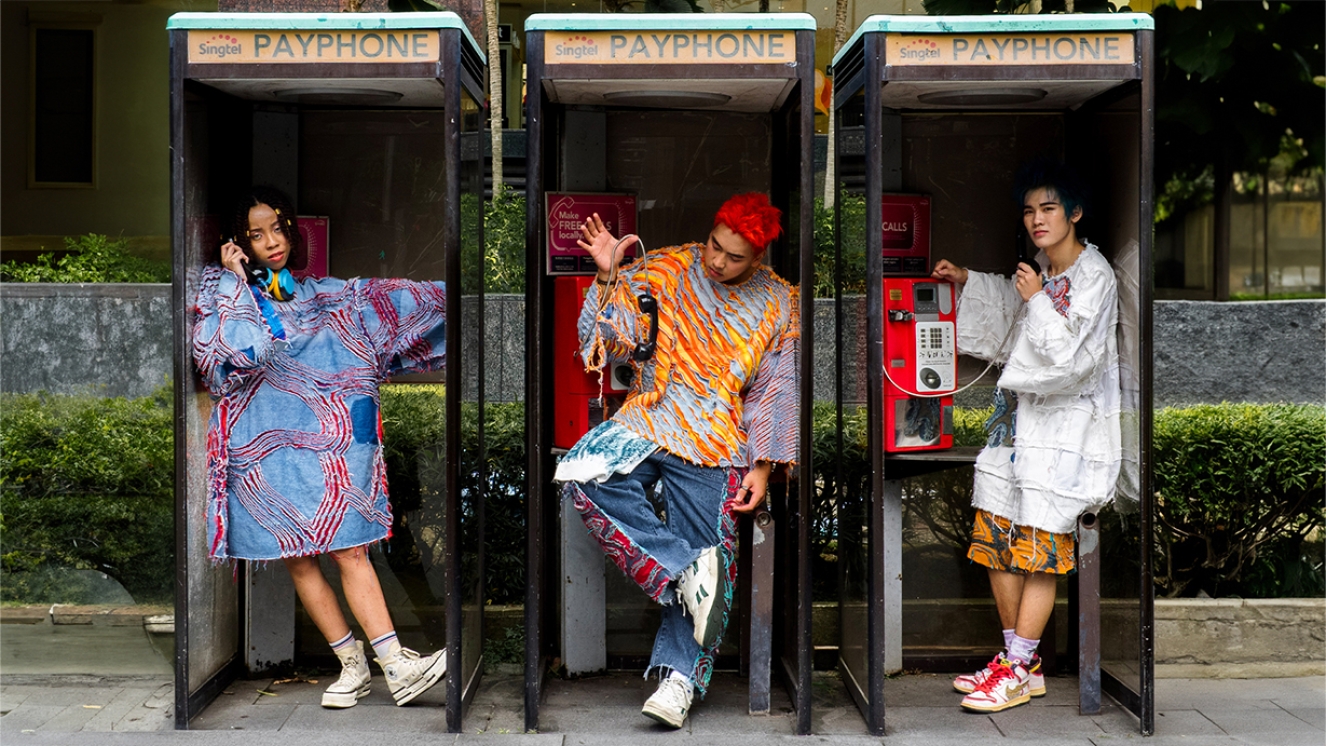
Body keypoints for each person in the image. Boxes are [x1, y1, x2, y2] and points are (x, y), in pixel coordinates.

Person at [192, 186, 448, 710]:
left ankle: (395, 665)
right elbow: (224, 356)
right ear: (239, 242)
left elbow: (409, 302)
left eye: (278, 229)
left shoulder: (328, 294)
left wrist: (469, 287)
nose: (271, 242)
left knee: (350, 549)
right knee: (300, 559)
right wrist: (236, 280)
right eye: (256, 235)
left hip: (331, 446)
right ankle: (352, 666)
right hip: (263, 446)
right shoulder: (223, 294)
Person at [555, 193, 800, 729]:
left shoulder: (780, 302)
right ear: (709, 231)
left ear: (757, 257)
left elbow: (776, 390)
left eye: (734, 257)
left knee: (713, 546)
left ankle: (679, 681)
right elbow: (608, 344)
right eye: (715, 245)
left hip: (717, 437)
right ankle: (682, 568)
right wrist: (607, 276)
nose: (718, 261)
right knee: (583, 472)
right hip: (650, 416)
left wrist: (763, 466)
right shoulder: (667, 268)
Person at [930, 160, 1121, 713]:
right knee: (996, 535)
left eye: (1049, 208)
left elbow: (1071, 356)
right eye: (1029, 210)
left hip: (1067, 429)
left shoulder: (1095, 277)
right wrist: (967, 281)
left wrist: (1037, 298)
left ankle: (1015, 669)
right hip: (1016, 422)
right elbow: (1014, 313)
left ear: (1075, 213)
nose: (1037, 219)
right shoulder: (1042, 269)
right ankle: (1023, 661)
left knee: (1040, 542)